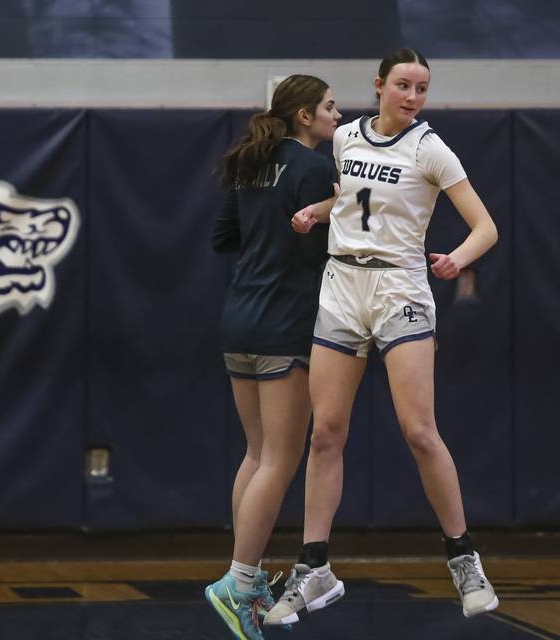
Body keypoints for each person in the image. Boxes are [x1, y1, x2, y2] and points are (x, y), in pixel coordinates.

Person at [264, 48, 499, 626]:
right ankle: (314, 566)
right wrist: (319, 212)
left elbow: (486, 226)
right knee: (326, 435)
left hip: (400, 290)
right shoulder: (346, 137)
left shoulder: (430, 149)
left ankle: (464, 559)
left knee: (419, 430)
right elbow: (350, 197)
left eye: (421, 88)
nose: (413, 97)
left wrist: (458, 258)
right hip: (342, 285)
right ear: (379, 86)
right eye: (403, 86)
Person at [204, 74, 341, 640]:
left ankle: (248, 576)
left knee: (257, 454)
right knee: (281, 460)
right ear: (304, 116)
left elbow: (222, 237)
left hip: (239, 317)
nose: (339, 114)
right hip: (286, 323)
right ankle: (237, 583)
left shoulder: (250, 163)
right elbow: (329, 241)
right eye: (330, 106)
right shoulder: (311, 168)